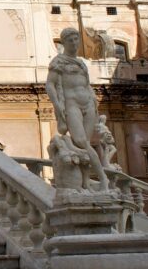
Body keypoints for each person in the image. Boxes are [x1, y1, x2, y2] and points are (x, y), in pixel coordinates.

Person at [46, 27, 108, 191]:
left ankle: (86, 181)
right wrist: (57, 105)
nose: (74, 43)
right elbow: (50, 85)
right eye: (70, 40)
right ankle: (103, 178)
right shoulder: (58, 61)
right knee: (81, 141)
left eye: (76, 39)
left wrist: (93, 99)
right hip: (71, 104)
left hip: (88, 104)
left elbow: (87, 84)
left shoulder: (81, 63)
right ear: (64, 43)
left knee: (83, 145)